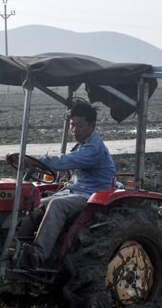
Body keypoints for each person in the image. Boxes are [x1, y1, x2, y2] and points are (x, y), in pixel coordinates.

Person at [22, 100, 116, 268]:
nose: (74, 130)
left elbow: (65, 162)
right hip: (77, 192)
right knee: (33, 203)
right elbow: (75, 180)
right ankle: (15, 247)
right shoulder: (82, 145)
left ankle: (38, 254)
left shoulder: (93, 148)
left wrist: (36, 161)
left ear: (92, 125)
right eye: (72, 125)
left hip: (92, 195)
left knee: (58, 205)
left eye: (79, 126)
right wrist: (60, 190)